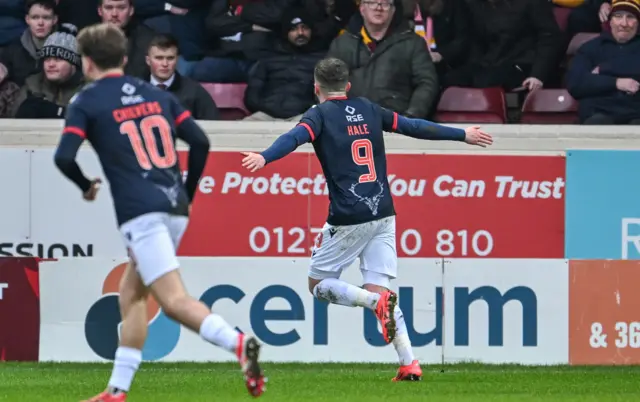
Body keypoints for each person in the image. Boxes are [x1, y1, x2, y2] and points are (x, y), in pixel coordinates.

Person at [241, 57, 493, 382]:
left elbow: (294, 138)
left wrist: (264, 156)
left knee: (318, 285)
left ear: (315, 87)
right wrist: (462, 134)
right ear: (347, 86)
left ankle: (374, 303)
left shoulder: (318, 116)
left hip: (348, 216)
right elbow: (414, 126)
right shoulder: (370, 109)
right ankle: (409, 363)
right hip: (384, 212)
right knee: (382, 288)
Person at [53, 23, 266, 402]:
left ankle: (237, 343)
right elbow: (200, 141)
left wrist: (87, 186)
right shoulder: (157, 96)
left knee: (173, 301)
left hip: (141, 211)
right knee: (131, 295)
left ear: (86, 63)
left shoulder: (86, 101)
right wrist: (187, 193)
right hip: (174, 206)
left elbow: (63, 157)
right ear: (123, 58)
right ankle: (117, 390)